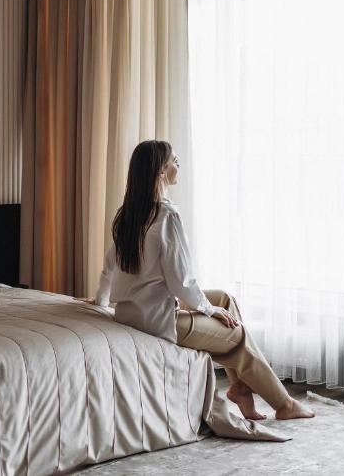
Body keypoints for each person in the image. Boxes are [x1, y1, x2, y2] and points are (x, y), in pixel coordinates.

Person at [83, 139, 314, 421]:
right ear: (161, 172)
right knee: (237, 333)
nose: (179, 165)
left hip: (131, 314)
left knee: (225, 299)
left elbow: (108, 268)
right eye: (175, 162)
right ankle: (284, 404)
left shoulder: (126, 216)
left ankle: (240, 389)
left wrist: (102, 302)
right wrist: (207, 309)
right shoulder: (166, 215)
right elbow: (181, 281)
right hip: (160, 322)